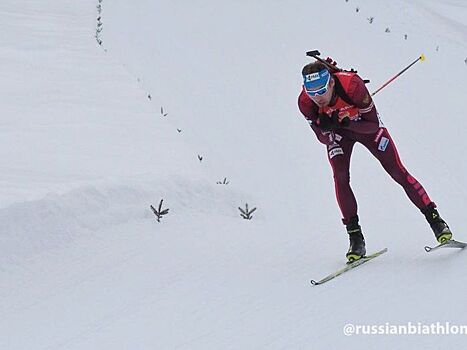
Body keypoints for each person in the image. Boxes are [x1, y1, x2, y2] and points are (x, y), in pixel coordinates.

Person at [298, 59, 453, 262]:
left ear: (332, 83)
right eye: (312, 92)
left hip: (363, 128)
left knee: (397, 172)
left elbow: (372, 125)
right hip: (339, 135)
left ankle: (435, 221)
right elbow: (321, 138)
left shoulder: (353, 86)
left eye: (321, 90)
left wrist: (344, 123)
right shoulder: (305, 103)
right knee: (341, 178)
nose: (317, 97)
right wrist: (328, 129)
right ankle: (355, 239)